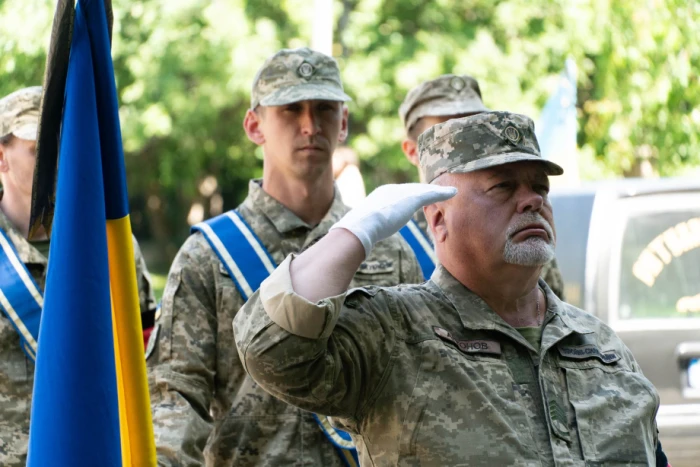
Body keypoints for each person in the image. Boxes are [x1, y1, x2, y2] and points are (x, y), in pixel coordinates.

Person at [234, 111, 661, 466]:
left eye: (540, 187)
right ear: (438, 220)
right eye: (503, 186)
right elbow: (271, 351)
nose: (532, 200)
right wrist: (355, 232)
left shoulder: (598, 342)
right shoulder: (394, 333)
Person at [147, 47, 422, 466]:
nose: (310, 125)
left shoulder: (387, 246)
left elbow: (415, 384)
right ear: (255, 125)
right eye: (291, 109)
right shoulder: (209, 256)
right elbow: (176, 396)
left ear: (343, 122)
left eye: (325, 109)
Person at [0, 86, 157, 466]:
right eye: (39, 149)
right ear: (1, 157)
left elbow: (146, 358)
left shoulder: (110, 245)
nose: (57, 159)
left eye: (63, 144)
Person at [398, 74, 565, 297]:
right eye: (448, 130)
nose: (470, 136)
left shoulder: (524, 228)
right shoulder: (392, 234)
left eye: (475, 122)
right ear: (412, 151)